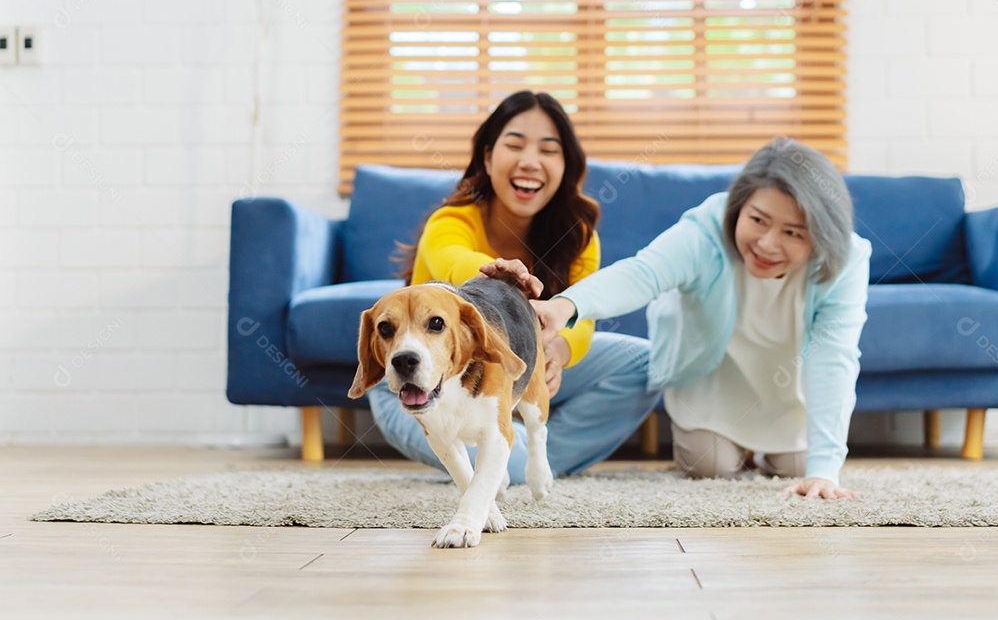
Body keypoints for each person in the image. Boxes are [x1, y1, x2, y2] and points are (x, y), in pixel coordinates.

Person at [532, 138, 871, 500]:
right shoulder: (705, 230)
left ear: (819, 236)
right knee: (710, 466)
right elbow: (643, 273)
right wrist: (566, 305)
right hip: (709, 375)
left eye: (793, 233)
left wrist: (824, 470)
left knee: (800, 466)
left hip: (786, 380)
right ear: (739, 207)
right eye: (758, 220)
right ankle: (738, 449)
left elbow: (833, 356)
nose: (768, 244)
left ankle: (770, 450)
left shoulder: (845, 260)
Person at [368, 90, 660, 484]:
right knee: (505, 461)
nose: (530, 161)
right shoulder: (449, 222)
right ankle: (513, 454)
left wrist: (558, 348)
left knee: (646, 362)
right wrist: (501, 274)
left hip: (517, 369)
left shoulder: (579, 237)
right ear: (487, 157)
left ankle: (529, 452)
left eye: (549, 149)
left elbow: (583, 315)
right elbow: (454, 263)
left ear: (566, 168)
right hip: (422, 387)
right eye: (515, 144)